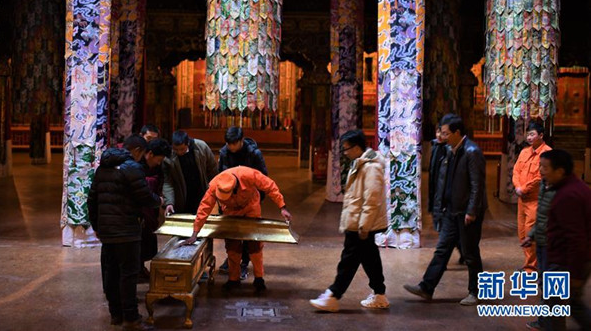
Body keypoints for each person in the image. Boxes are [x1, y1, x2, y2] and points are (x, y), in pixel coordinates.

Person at [404, 114, 487, 306]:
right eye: (441, 132)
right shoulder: (450, 150)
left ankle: (476, 291)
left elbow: (477, 185)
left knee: (470, 253)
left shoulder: (472, 151)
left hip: (467, 212)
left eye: (446, 133)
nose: (443, 136)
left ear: (457, 132)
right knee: (442, 249)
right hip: (451, 210)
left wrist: (472, 211)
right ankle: (427, 287)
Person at [309, 130, 389, 312]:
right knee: (369, 258)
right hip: (358, 220)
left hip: (360, 223)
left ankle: (333, 295)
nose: (345, 153)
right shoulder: (361, 163)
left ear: (357, 147)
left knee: (348, 260)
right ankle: (379, 293)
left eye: (347, 149)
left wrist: (364, 225)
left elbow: (372, 198)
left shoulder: (371, 167)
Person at [87, 135, 160, 331]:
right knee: (128, 274)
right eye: (141, 155)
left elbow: (91, 199)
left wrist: (97, 226)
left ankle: (116, 315)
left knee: (111, 273)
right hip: (127, 231)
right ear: (137, 150)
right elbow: (145, 196)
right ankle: (131, 318)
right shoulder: (132, 167)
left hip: (107, 231)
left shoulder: (102, 168)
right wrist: (158, 201)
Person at [181, 166, 292, 293]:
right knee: (232, 246)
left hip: (251, 208)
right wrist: (195, 233)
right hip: (230, 212)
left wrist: (282, 206)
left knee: (255, 244)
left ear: (235, 189)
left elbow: (270, 186)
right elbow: (204, 208)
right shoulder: (215, 185)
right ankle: (233, 279)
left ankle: (259, 278)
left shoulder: (248, 175)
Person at [539, 149, 591, 331]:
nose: (541, 171)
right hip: (571, 261)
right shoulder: (575, 187)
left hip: (564, 262)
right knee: (571, 304)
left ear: (560, 171)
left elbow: (575, 238)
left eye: (545, 167)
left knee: (554, 307)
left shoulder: (567, 196)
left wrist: (575, 274)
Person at [217, 126, 268, 279]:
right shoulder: (224, 153)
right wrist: (222, 201)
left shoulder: (254, 154)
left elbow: (263, 177)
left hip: (249, 200)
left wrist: (258, 199)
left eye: (234, 144)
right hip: (230, 201)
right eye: (228, 144)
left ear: (241, 141)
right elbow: (220, 176)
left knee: (247, 232)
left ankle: (244, 263)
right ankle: (232, 260)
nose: (231, 147)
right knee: (231, 232)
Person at [513, 121, 551, 273]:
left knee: (531, 232)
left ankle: (532, 268)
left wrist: (524, 188)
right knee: (522, 232)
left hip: (535, 200)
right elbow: (516, 171)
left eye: (532, 134)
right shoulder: (524, 152)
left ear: (541, 135)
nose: (529, 137)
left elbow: (540, 177)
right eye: (527, 134)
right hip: (522, 199)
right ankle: (529, 263)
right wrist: (517, 187)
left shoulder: (547, 153)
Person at [521, 178, 556, 330]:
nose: (541, 170)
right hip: (542, 242)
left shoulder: (565, 191)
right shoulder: (544, 185)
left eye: (545, 167)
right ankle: (544, 322)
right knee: (545, 285)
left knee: (556, 292)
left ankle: (549, 323)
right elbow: (541, 216)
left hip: (553, 246)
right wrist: (531, 235)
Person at [429, 119, 464, 266]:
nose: (440, 135)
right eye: (438, 132)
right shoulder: (436, 147)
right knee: (447, 232)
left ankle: (464, 254)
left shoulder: (452, 151)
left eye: (443, 133)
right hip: (438, 194)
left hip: (447, 199)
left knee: (447, 234)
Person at [138, 138, 171, 282]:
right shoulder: (137, 165)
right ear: (150, 154)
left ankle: (141, 268)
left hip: (152, 208)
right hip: (140, 209)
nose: (158, 163)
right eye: (158, 160)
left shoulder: (159, 167)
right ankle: (137, 269)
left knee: (148, 240)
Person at [162, 130, 218, 216]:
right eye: (176, 149)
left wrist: (214, 193)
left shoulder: (201, 147)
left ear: (187, 143)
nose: (179, 152)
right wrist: (169, 203)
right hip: (182, 198)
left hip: (202, 192)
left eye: (182, 149)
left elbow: (213, 171)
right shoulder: (168, 155)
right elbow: (168, 182)